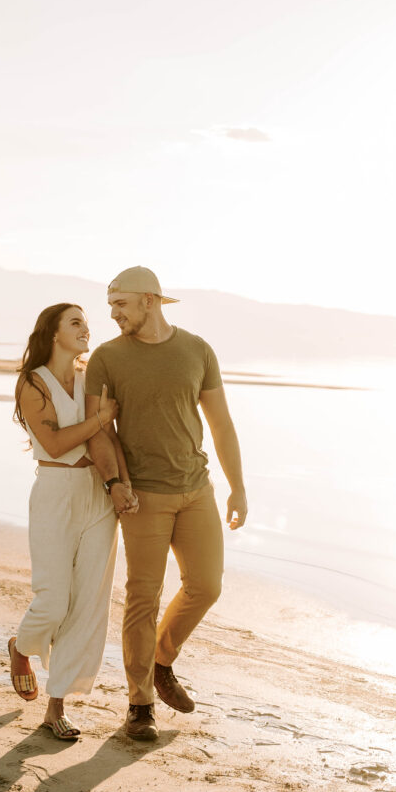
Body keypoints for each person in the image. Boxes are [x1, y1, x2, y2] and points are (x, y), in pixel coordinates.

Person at [85, 267, 247, 741]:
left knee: (206, 586)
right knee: (143, 598)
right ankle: (140, 704)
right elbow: (100, 429)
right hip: (144, 498)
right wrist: (116, 481)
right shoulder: (106, 358)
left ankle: (161, 661)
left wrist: (237, 486)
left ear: (151, 301)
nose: (113, 314)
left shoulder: (197, 350)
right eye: (111, 305)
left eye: (122, 305)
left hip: (197, 489)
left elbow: (221, 424)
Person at [9, 302, 136, 740]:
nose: (87, 329)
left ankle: (55, 706)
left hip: (95, 495)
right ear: (53, 333)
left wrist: (119, 484)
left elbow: (107, 438)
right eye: (76, 322)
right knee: (53, 598)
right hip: (55, 493)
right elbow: (56, 442)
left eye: (86, 323)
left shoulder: (89, 379)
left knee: (87, 606)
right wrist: (99, 417)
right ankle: (22, 645)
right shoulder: (33, 383)